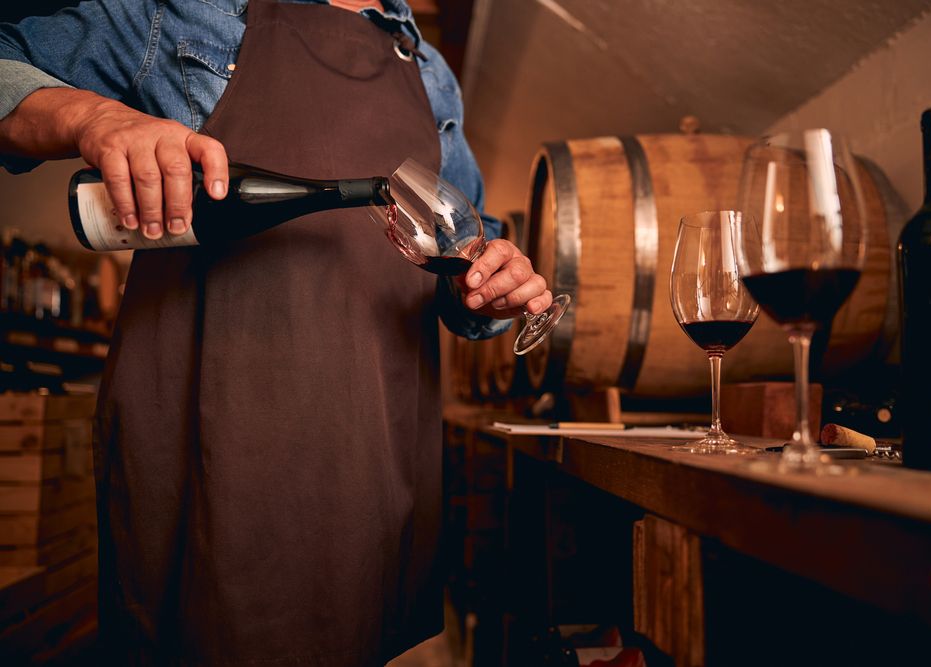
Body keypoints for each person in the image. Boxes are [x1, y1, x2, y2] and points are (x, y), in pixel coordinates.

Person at [0, 1, 551, 664]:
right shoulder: (184, 15)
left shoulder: (432, 74)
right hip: (211, 458)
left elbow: (464, 253)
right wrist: (94, 116)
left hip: (371, 465)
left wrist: (494, 282)